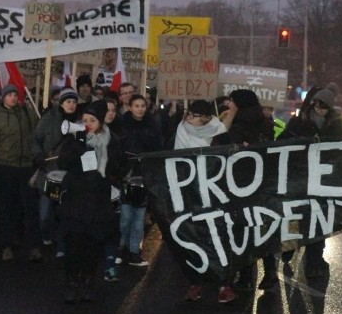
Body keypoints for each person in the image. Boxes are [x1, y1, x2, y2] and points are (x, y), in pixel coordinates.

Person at [57, 99, 125, 303]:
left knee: (92, 245)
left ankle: (87, 281)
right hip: (75, 200)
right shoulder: (73, 139)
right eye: (84, 119)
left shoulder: (113, 141)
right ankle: (71, 282)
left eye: (92, 120)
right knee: (73, 244)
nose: (87, 123)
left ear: (101, 122)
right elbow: (63, 162)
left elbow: (118, 168)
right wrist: (78, 145)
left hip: (98, 201)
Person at [278, 85, 342, 277]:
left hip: (324, 182)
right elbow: (283, 143)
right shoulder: (298, 122)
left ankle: (314, 260)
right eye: (317, 104)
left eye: (323, 106)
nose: (319, 109)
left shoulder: (337, 125)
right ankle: (289, 249)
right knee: (297, 217)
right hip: (300, 179)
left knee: (320, 221)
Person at [214, 88, 277, 295]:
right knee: (261, 227)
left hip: (239, 185)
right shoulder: (265, 123)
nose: (229, 105)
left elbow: (218, 144)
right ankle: (269, 271)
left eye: (232, 102)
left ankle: (246, 276)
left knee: (242, 229)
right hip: (262, 185)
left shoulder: (236, 125)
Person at [173, 99, 237, 302]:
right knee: (192, 235)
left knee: (218, 235)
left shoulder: (217, 131)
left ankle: (223, 284)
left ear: (206, 118)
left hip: (214, 192)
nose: (189, 118)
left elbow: (227, 154)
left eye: (194, 115)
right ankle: (195, 283)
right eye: (188, 113)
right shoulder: (182, 128)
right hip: (190, 191)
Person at [0, 84, 42, 262]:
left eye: (15, 95)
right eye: (10, 95)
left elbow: (37, 130)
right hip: (6, 167)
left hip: (26, 166)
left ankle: (34, 246)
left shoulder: (25, 113)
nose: (13, 98)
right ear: (3, 97)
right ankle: (6, 246)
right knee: (6, 208)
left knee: (30, 208)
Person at [31, 87, 80, 252]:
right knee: (45, 213)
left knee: (64, 213)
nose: (71, 105)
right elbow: (36, 139)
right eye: (68, 101)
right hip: (48, 172)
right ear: (61, 103)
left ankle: (61, 246)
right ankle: (46, 237)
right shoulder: (48, 119)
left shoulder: (80, 122)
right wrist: (38, 155)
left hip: (68, 175)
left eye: (74, 102)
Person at [118, 93, 163, 268]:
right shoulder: (122, 124)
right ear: (130, 107)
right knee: (125, 217)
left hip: (144, 175)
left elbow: (157, 148)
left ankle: (135, 251)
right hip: (126, 175)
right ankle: (120, 249)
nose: (140, 109)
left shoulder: (152, 124)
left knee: (139, 218)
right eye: (136, 106)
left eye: (142, 106)